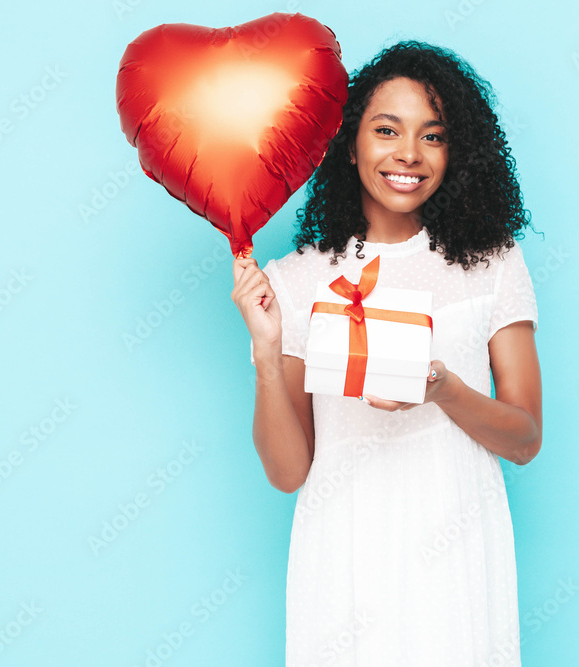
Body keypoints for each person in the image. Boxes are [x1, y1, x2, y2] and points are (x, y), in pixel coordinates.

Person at [231, 39, 541, 666]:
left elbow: (525, 439)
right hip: (343, 559)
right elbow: (289, 472)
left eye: (433, 136)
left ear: (458, 152)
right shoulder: (296, 280)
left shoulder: (491, 264)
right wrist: (267, 353)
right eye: (386, 130)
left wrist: (443, 388)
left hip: (458, 557)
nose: (408, 155)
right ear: (350, 144)